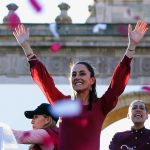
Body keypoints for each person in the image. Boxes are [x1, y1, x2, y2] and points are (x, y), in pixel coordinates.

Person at [13, 20, 148, 150]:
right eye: (74, 75)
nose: (77, 77)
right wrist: (26, 46)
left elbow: (117, 85)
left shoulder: (100, 106)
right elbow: (44, 82)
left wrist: (132, 47)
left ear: (92, 80)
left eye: (82, 74)